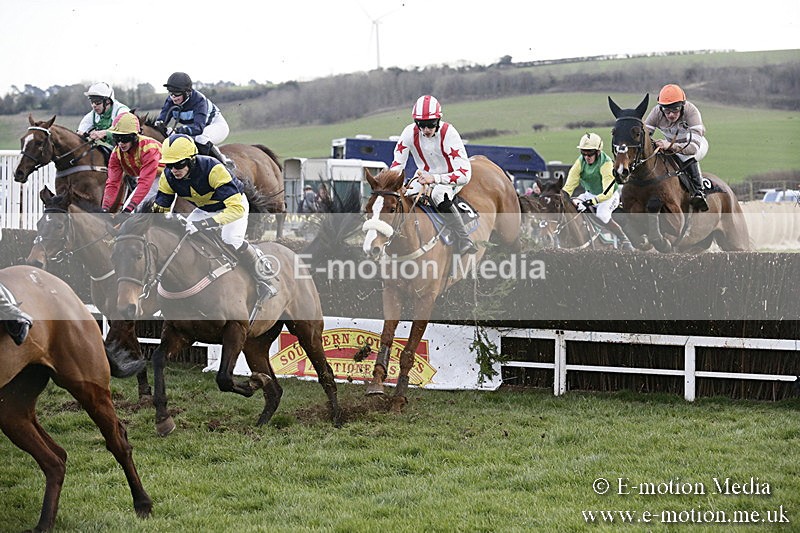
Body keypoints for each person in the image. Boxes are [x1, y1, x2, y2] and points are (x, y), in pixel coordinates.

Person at [152, 134, 276, 298]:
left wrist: (204, 224)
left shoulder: (213, 169)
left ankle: (263, 278)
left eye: (179, 164)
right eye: (169, 164)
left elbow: (236, 209)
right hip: (205, 209)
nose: (174, 169)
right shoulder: (168, 176)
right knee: (182, 239)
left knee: (231, 239)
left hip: (233, 206)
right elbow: (160, 210)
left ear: (192, 159)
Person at [390, 95, 477, 255]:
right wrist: (390, 184)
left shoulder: (449, 133)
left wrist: (435, 179)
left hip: (451, 179)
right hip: (425, 178)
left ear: (438, 120)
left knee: (438, 195)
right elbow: (397, 164)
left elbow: (465, 174)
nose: (425, 130)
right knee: (406, 195)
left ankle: (464, 239)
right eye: (421, 125)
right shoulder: (409, 133)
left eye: (430, 125)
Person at [644, 83, 709, 212]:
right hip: (671, 146)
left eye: (676, 109)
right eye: (667, 110)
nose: (671, 115)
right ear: (661, 107)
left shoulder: (692, 111)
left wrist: (670, 145)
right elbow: (644, 136)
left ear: (683, 106)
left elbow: (692, 148)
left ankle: (698, 190)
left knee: (686, 156)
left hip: (696, 145)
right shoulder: (657, 112)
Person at [563, 132, 634, 250]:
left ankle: (624, 239)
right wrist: (564, 196)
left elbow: (607, 193)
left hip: (609, 197)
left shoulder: (606, 163)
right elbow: (570, 184)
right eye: (583, 153)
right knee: (573, 204)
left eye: (590, 153)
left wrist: (589, 203)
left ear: (598, 151)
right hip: (589, 194)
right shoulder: (580, 162)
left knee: (602, 214)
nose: (586, 157)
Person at [154, 72, 234, 169]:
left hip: (216, 126)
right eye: (171, 92)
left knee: (201, 138)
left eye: (177, 93)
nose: (173, 97)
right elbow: (161, 121)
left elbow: (198, 129)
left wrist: (177, 131)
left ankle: (224, 165)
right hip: (196, 128)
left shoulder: (199, 101)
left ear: (187, 92)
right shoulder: (170, 101)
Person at [102, 112, 164, 215]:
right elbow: (113, 182)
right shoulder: (116, 153)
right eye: (117, 138)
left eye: (125, 138)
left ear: (135, 137)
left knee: (131, 212)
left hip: (166, 176)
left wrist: (130, 208)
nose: (121, 143)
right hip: (148, 178)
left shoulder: (148, 149)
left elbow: (145, 182)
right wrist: (105, 208)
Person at [76, 82, 130, 147]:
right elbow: (80, 132)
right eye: (92, 101)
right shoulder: (92, 115)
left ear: (108, 101)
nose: (94, 105)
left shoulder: (122, 111)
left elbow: (127, 132)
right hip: (117, 147)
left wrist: (105, 133)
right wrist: (80, 134)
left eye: (97, 101)